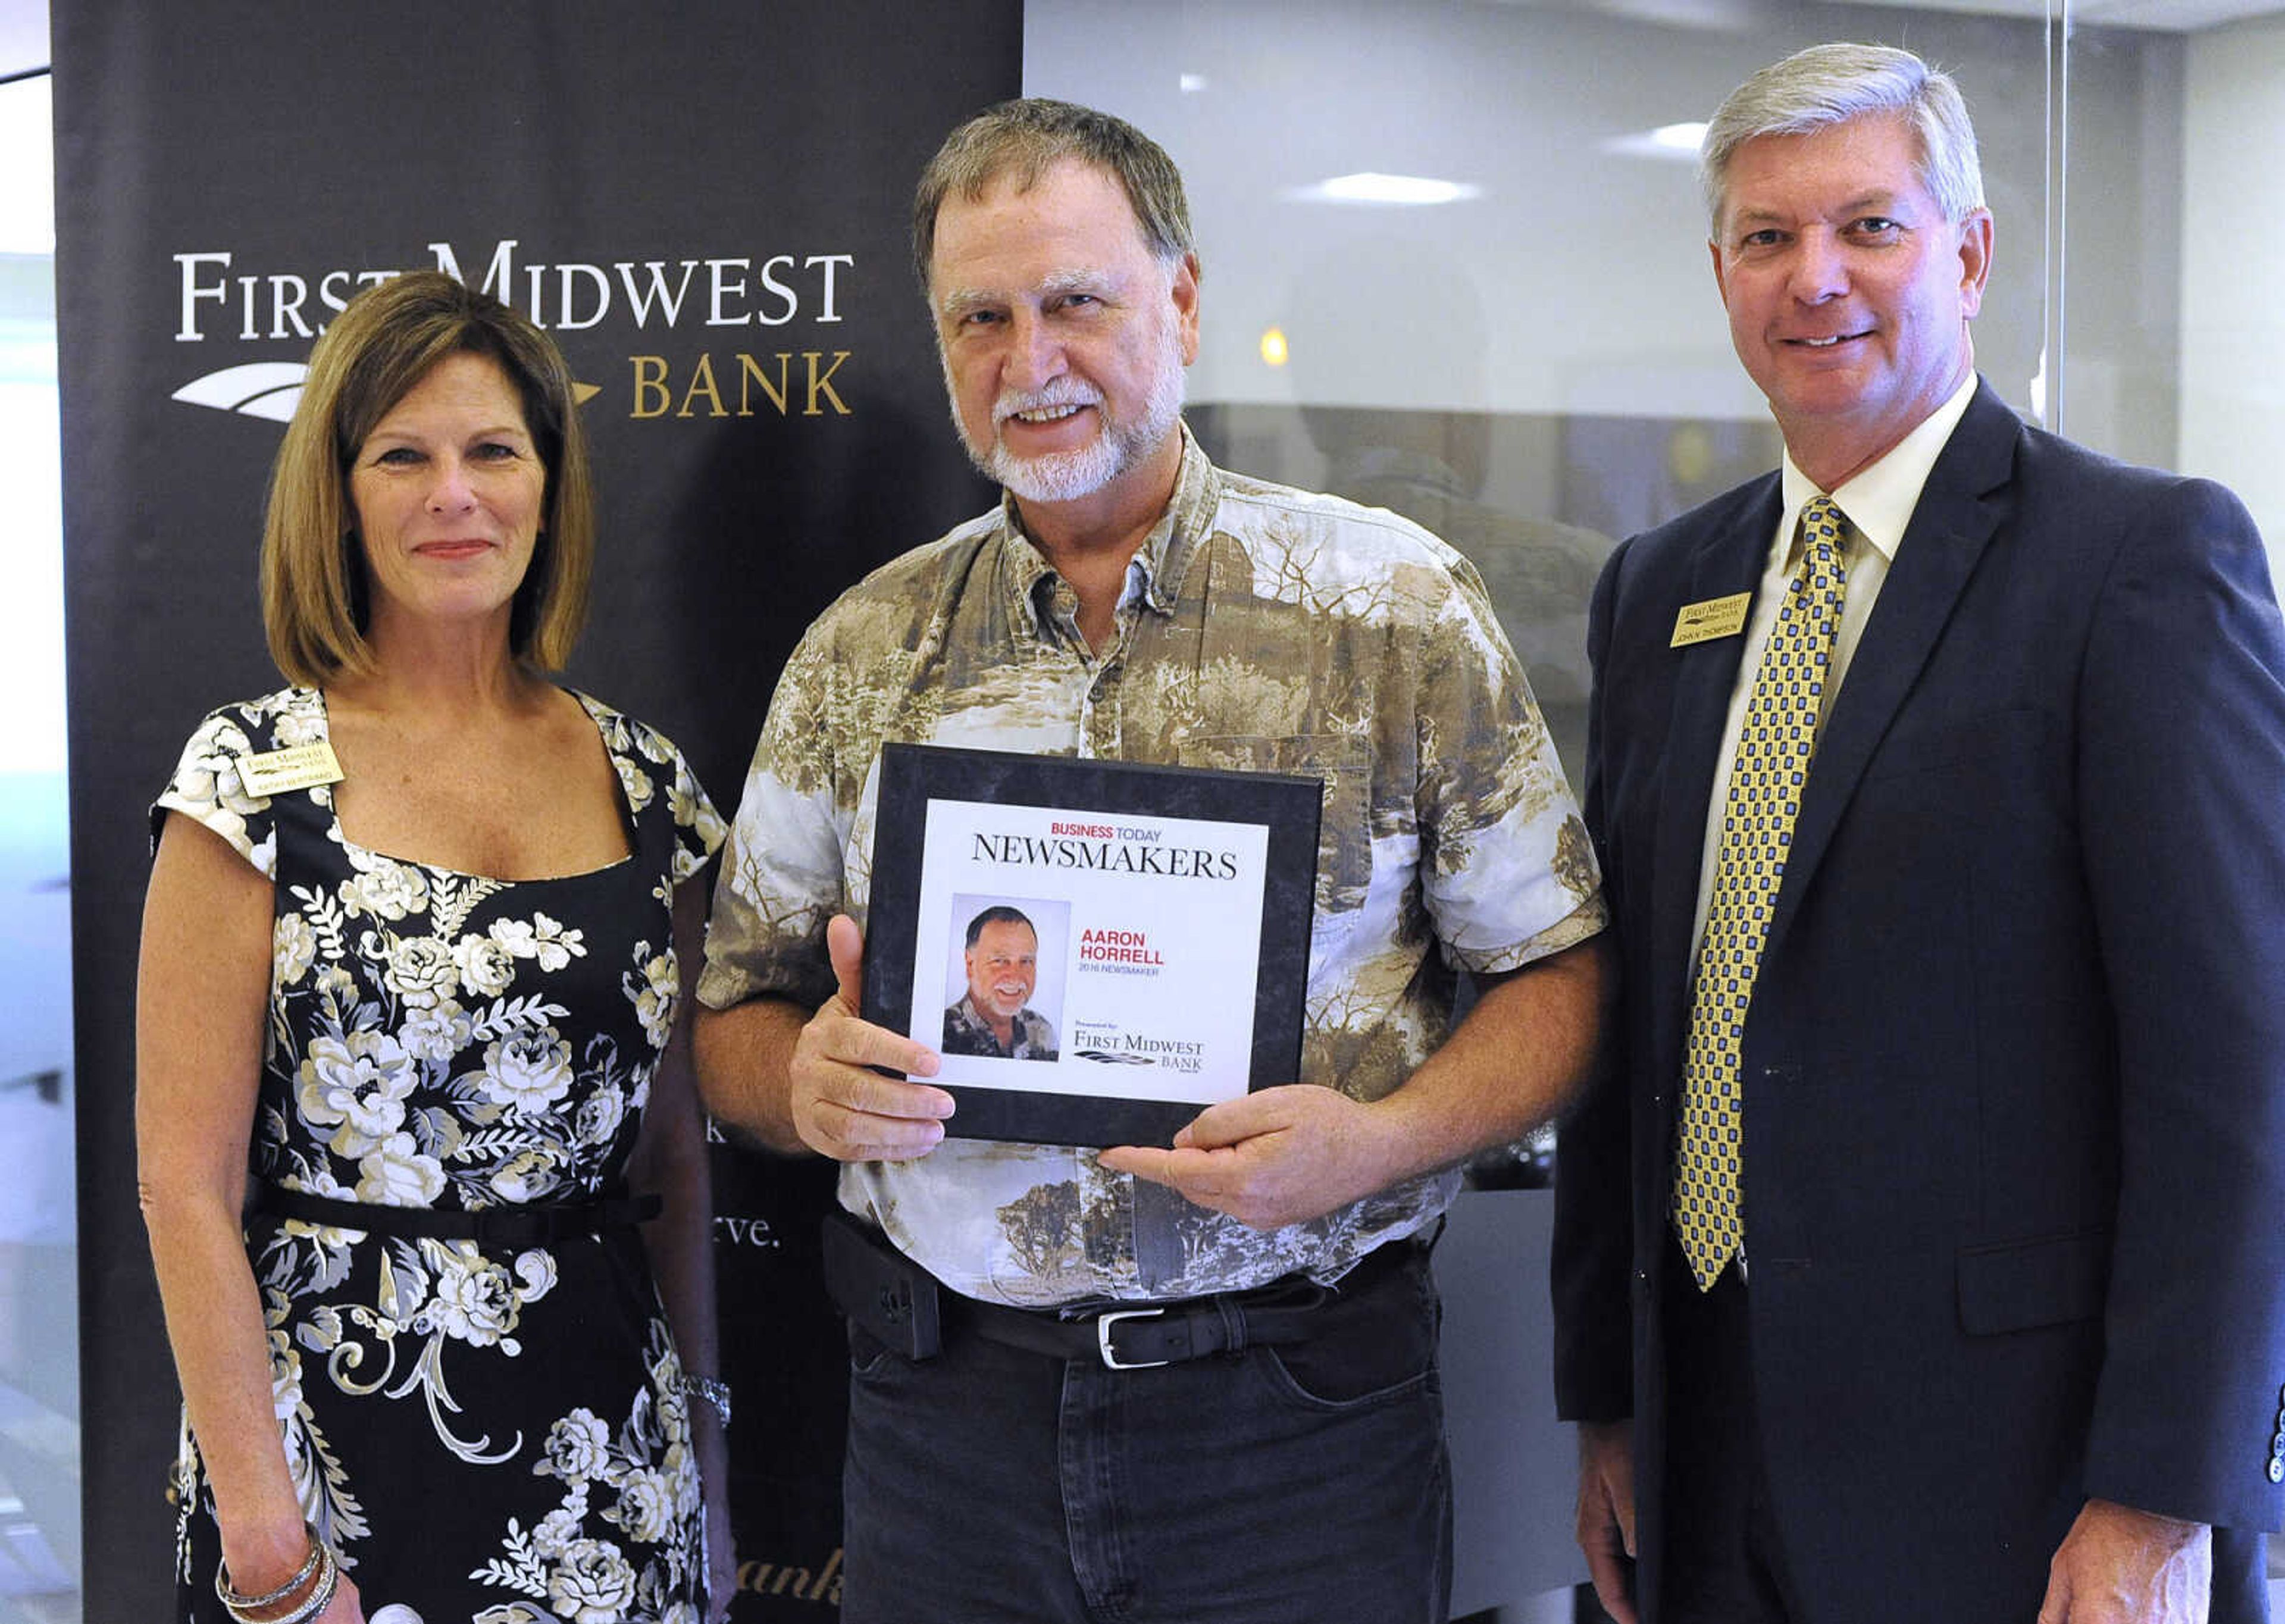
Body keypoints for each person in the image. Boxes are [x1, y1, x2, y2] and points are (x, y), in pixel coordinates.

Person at [694, 98, 1608, 1622]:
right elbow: (732, 1012)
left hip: (1293, 1424)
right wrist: (795, 1084)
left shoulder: (1389, 609)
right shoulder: (863, 646)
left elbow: (1560, 976)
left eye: (1074, 302)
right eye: (979, 316)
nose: (1027, 360)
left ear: (1179, 303)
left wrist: (1381, 1141)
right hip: (944, 1426)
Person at [1550, 42, 2285, 1624]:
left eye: (1868, 227)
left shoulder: (2138, 562)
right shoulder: (1662, 587)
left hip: (2014, 1477)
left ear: (1968, 252)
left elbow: (2236, 1070)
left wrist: (2167, 1493)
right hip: (1701, 1440)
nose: (1815, 279)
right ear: (1722, 272)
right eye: (1767, 238)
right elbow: (1642, 1027)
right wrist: (1609, 1399)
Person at [137, 270, 734, 1624]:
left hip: (608, 1462)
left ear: (547, 481)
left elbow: (680, 1161)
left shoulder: (648, 782)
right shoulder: (249, 779)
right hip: (330, 1475)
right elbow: (181, 1185)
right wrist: (268, 1536)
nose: (452, 494)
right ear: (338, 491)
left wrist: (703, 1454)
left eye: (492, 451)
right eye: (402, 454)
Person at [941, 905, 1057, 1060]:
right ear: (970, 965)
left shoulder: (1041, 1030)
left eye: (1026, 961)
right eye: (1000, 961)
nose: (1015, 978)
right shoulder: (943, 1034)